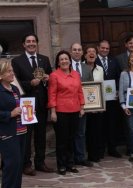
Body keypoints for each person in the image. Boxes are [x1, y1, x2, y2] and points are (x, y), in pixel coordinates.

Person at [11, 33, 53, 176]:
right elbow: (14, 83)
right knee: (27, 136)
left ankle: (40, 162)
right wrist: (30, 83)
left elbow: (51, 79)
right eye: (28, 41)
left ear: (37, 43)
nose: (31, 43)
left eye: (33, 41)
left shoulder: (44, 60)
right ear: (24, 44)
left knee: (41, 135)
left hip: (41, 103)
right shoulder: (17, 61)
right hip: (26, 104)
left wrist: (47, 79)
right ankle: (26, 164)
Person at [48, 50, 84, 175]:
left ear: (70, 61)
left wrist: (82, 107)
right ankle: (62, 165)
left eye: (66, 59)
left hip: (75, 110)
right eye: (61, 59)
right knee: (62, 140)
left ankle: (70, 163)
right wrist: (53, 111)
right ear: (58, 62)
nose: (64, 61)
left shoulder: (76, 74)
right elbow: (52, 94)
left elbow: (80, 91)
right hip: (61, 112)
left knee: (72, 138)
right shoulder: (54, 75)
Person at [0, 60, 26, 188]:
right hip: (7, 132)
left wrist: (28, 112)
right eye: (9, 71)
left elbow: (19, 107)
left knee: (18, 165)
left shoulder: (15, 88)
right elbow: (10, 112)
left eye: (12, 70)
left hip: (21, 131)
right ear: (1, 74)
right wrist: (10, 114)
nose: (12, 73)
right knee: (11, 166)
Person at [95, 40, 122, 158]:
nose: (105, 50)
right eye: (102, 48)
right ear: (98, 48)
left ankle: (112, 148)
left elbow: (118, 77)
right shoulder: (93, 61)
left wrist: (117, 91)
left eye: (107, 48)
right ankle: (100, 149)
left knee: (112, 124)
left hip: (112, 99)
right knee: (99, 125)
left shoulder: (114, 61)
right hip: (98, 99)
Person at [70, 43, 93, 167]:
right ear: (71, 52)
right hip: (69, 105)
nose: (77, 52)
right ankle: (71, 157)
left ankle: (81, 157)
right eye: (74, 50)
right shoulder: (66, 66)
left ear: (82, 52)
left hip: (83, 107)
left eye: (79, 50)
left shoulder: (86, 68)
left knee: (81, 133)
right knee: (70, 133)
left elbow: (91, 88)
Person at [83, 45, 105, 162]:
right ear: (85, 55)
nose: (91, 54)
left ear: (96, 55)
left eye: (93, 52)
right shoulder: (80, 67)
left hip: (97, 104)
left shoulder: (100, 69)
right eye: (89, 51)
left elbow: (102, 86)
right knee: (87, 130)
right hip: (84, 105)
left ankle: (97, 153)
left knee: (97, 129)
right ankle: (87, 154)